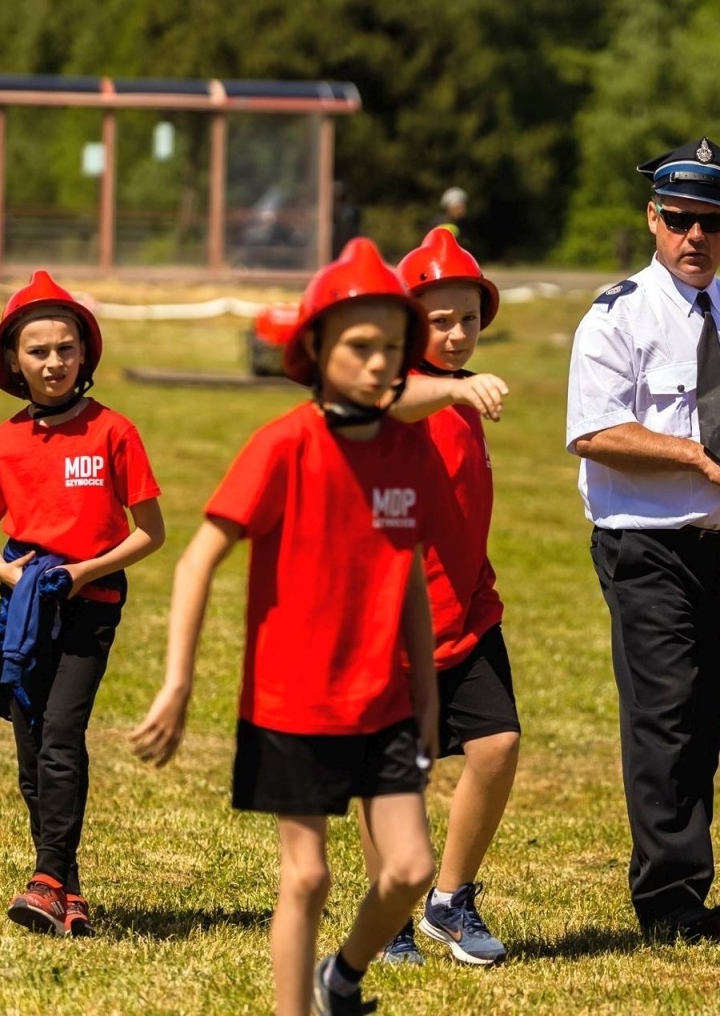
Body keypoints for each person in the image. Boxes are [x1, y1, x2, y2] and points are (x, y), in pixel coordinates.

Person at [132, 238, 439, 1016]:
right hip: (291, 703)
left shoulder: (408, 452)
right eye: (360, 347)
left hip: (383, 701)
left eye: (394, 349)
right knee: (305, 877)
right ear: (315, 348)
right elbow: (197, 560)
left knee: (409, 871)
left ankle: (342, 977)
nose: (379, 364)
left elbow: (405, 578)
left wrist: (428, 694)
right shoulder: (282, 446)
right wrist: (178, 682)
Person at [564, 137, 720, 942]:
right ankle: (669, 904)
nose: (694, 236)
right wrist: (695, 456)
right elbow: (594, 431)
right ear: (653, 217)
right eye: (678, 219)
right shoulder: (617, 315)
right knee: (665, 717)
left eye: (710, 220)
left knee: (704, 716)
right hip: (648, 545)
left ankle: (685, 884)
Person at [0, 271, 166, 938]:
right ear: (14, 362)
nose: (53, 362)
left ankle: (46, 879)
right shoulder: (0, 444)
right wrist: (14, 578)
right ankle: (64, 887)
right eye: (39, 351)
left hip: (91, 600)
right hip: (26, 606)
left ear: (85, 354)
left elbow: (149, 532)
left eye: (65, 349)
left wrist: (84, 572)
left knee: (59, 733)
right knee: (29, 751)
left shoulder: (114, 432)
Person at [369, 227, 519, 967]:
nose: (456, 334)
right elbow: (398, 401)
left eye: (467, 319)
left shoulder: (457, 398)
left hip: (467, 606)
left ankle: (449, 902)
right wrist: (455, 387)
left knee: (497, 746)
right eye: (439, 319)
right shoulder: (389, 385)